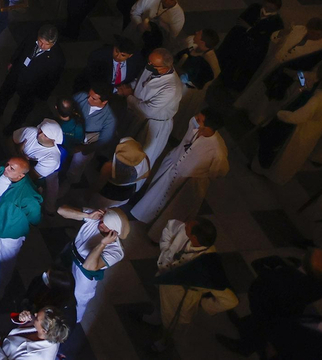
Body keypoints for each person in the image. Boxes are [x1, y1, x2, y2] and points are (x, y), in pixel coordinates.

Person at [130, 109, 228, 238]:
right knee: (156, 195)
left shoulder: (217, 150)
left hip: (188, 180)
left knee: (173, 209)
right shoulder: (194, 123)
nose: (196, 119)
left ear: (209, 126)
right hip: (172, 165)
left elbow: (218, 172)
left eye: (200, 120)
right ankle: (145, 216)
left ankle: (158, 234)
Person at [146, 218, 237, 349]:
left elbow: (231, 301)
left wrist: (204, 304)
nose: (186, 224)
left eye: (188, 225)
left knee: (173, 325)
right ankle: (155, 318)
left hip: (180, 300)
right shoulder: (186, 233)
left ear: (194, 237)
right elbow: (170, 228)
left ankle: (164, 343)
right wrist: (166, 251)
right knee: (159, 303)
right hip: (165, 282)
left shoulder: (209, 267)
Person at [0, 156, 42, 300]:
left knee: (6, 261)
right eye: (8, 164)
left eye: (11, 168)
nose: (6, 168)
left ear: (21, 175)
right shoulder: (3, 172)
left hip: (10, 231)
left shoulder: (27, 195)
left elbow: (35, 217)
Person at [55, 206, 126, 325]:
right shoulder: (97, 219)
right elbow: (60, 211)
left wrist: (102, 244)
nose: (101, 224)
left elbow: (88, 266)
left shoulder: (116, 251)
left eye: (106, 225)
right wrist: (87, 216)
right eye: (103, 220)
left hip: (82, 275)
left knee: (77, 300)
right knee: (57, 282)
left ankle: (72, 322)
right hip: (70, 255)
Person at [119, 48, 180, 166]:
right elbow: (142, 81)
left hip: (152, 124)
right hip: (137, 113)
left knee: (139, 157)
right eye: (149, 61)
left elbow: (148, 111)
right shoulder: (153, 67)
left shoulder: (171, 88)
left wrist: (128, 95)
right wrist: (129, 87)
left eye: (153, 64)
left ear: (165, 67)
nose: (149, 65)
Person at [0, 306, 70, 359]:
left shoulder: (38, 357)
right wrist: (22, 319)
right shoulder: (50, 331)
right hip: (4, 346)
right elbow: (25, 326)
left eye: (36, 318)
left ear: (44, 331)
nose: (34, 314)